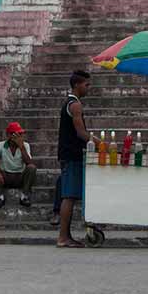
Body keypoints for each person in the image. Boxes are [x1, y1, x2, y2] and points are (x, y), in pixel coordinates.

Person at [57, 70, 100, 248]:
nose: (88, 88)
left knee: (71, 196)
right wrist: (101, 143)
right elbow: (81, 133)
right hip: (72, 154)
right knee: (69, 196)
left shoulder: (71, 103)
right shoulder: (75, 105)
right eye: (86, 85)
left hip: (69, 153)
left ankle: (65, 236)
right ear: (77, 85)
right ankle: (63, 237)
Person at [0, 122, 36, 208]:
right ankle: (0, 197)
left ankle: (24, 196)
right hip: (5, 177)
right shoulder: (1, 145)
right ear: (9, 135)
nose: (19, 136)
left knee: (32, 168)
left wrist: (21, 147)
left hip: (20, 177)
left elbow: (29, 162)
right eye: (17, 134)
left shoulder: (25, 145)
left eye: (21, 134)